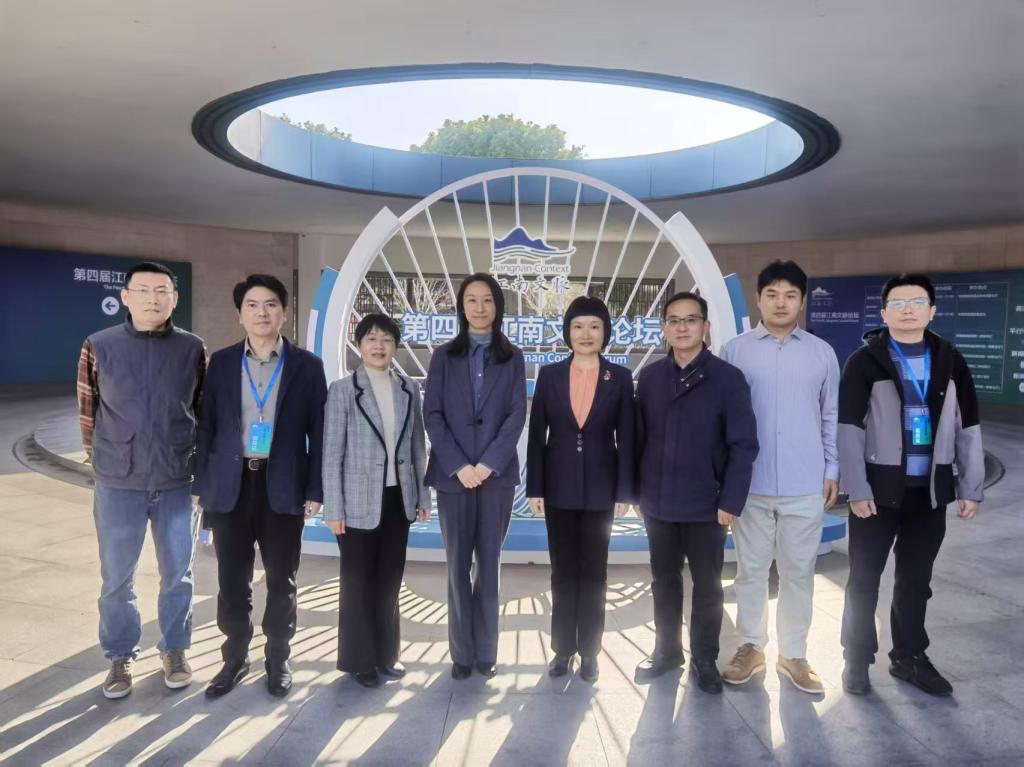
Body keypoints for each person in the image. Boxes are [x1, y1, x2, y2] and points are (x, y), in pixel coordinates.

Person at [838, 273, 983, 697]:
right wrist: (856, 489)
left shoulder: (950, 360)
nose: (907, 310)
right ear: (884, 313)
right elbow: (849, 429)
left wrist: (970, 486)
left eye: (917, 302)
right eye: (898, 303)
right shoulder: (864, 362)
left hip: (930, 493)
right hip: (877, 494)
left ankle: (909, 657)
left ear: (932, 311)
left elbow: (968, 425)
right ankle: (856, 659)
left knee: (916, 580)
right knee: (864, 578)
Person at [77, 261, 206, 699]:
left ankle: (175, 649)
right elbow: (88, 411)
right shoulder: (99, 345)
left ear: (175, 298)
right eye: (144, 290)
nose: (154, 299)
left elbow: (203, 411)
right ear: (126, 297)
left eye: (162, 290)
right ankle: (119, 656)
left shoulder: (193, 349)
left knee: (179, 575)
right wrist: (105, 460)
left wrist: (199, 473)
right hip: (118, 481)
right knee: (117, 577)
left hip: (177, 479)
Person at [194, 274, 326, 698]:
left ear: (284, 312)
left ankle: (278, 658)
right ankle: (234, 657)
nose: (262, 312)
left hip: (283, 485)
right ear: (240, 314)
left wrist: (316, 489)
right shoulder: (222, 363)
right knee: (232, 579)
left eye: (271, 304)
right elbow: (207, 426)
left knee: (282, 579)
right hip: (230, 486)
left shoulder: (307, 366)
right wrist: (201, 483)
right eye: (252, 305)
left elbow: (320, 432)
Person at [719, 260, 840, 694]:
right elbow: (722, 419)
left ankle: (794, 655)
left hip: (805, 481)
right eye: (772, 294)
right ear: (759, 299)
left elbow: (830, 415)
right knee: (750, 571)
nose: (781, 302)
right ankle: (751, 647)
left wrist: (832, 468)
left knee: (798, 572)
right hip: (749, 484)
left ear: (802, 301)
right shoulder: (735, 351)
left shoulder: (821, 353)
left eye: (790, 295)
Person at [633, 291, 759, 693]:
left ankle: (704, 658)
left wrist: (731, 500)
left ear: (705, 326)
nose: (682, 327)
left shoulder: (728, 379)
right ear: (664, 329)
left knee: (707, 586)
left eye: (690, 320)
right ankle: (667, 652)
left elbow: (743, 445)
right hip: (658, 502)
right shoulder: (650, 378)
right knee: (663, 581)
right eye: (674, 320)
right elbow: (638, 440)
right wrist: (638, 494)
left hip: (708, 504)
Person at [526, 296, 635, 683]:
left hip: (602, 491)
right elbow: (537, 436)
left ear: (605, 332)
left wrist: (625, 491)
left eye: (593, 326)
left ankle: (590, 651)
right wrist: (535, 487)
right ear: (567, 332)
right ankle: (562, 650)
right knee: (562, 573)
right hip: (558, 489)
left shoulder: (619, 377)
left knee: (594, 574)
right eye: (577, 326)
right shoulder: (550, 375)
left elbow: (628, 437)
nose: (585, 334)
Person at [424, 273, 527, 680]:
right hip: (453, 478)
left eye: (487, 300)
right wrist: (459, 465)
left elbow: (516, 414)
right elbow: (433, 414)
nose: (480, 307)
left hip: (495, 478)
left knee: (489, 564)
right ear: (461, 306)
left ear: (497, 306)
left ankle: (486, 651)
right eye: (472, 299)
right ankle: (461, 655)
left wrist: (487, 465)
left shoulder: (512, 357)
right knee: (456, 567)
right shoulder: (443, 356)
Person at [322, 313, 430, 688]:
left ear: (395, 346)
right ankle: (360, 660)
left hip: (398, 499)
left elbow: (417, 447)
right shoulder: (343, 390)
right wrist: (334, 507)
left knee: (389, 581)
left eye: (386, 339)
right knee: (358, 583)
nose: (379, 346)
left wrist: (422, 494)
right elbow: (331, 453)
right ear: (359, 345)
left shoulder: (408, 388)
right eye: (371, 339)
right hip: (355, 502)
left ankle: (387, 655)